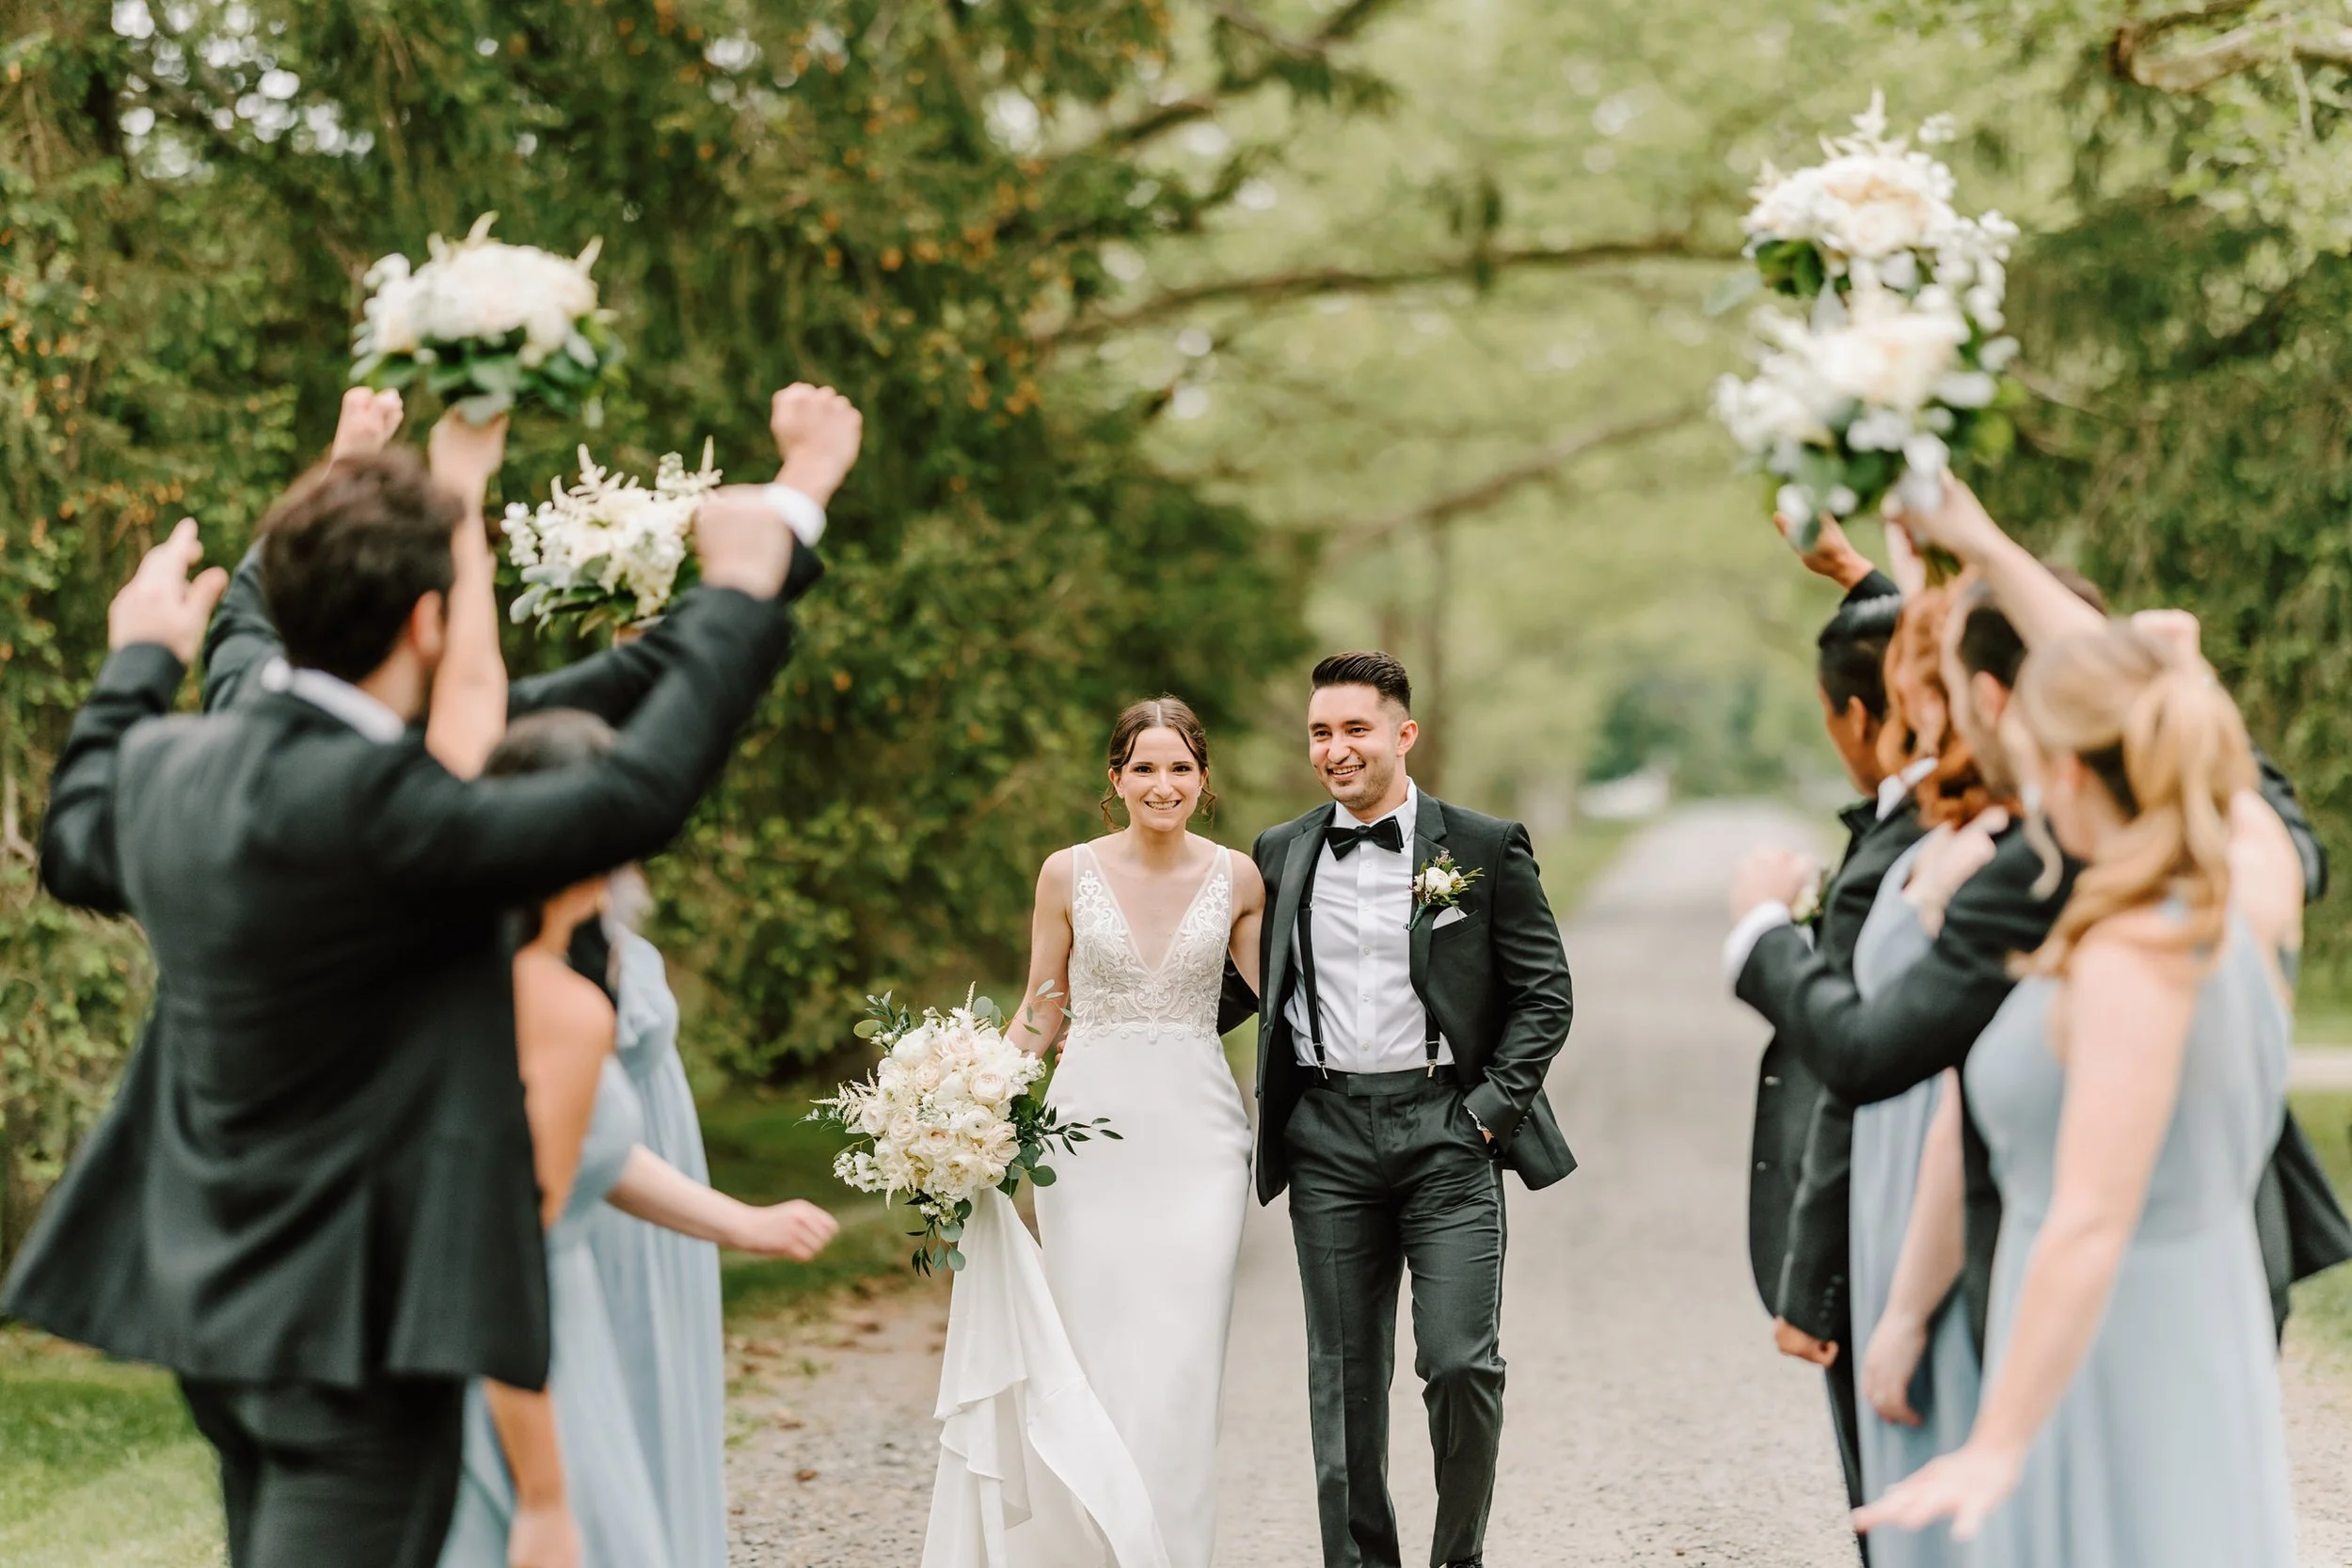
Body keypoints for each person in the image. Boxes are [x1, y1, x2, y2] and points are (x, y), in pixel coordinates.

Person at [4, 383, 862, 1568]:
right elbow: (637, 791)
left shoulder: (164, 765)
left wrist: (138, 659)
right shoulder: (393, 813)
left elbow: (75, 835)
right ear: (426, 622)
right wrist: (751, 568)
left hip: (212, 1308)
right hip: (357, 1331)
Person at [1724, 479, 2350, 1355]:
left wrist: (1759, 928)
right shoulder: (2251, 865)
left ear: (1989, 706)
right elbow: (2174, 731)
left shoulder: (2020, 873)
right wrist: (1947, 555)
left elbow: (1877, 1056)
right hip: (2214, 1306)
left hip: (2074, 1323)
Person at [1855, 615, 2301, 1563]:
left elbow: (2089, 1216)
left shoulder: (2129, 956)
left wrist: (1999, 1439)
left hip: (2109, 1343)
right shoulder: (2249, 886)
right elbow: (2231, 783)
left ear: (2057, 772)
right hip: (2195, 1314)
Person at [1247, 652, 1575, 1568]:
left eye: (1355, 728)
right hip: (1327, 1137)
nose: (1336, 748)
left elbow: (1545, 992)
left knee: (1460, 1358)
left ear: (1402, 732)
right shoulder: (1280, 850)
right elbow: (1237, 983)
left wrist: (1487, 1110)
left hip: (1446, 1130)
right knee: (1345, 1380)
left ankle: (1456, 1558)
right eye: (1321, 731)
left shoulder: (1480, 843)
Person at [926, 695, 1264, 1567]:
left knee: (1183, 1367)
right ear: (1114, 780)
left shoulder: (1240, 878)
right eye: (1144, 768)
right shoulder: (1063, 873)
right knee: (1097, 1352)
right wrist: (971, 1110)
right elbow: (1041, 1009)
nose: (1163, 784)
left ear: (1204, 780)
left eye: (1180, 767)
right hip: (1087, 1142)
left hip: (1201, 1144)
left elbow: (1291, 1009)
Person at [1738, 515, 1909, 1543]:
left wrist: (1764, 935)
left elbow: (1853, 1060)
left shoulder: (1923, 842)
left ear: (1852, 716)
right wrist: (1854, 572)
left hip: (1904, 1220)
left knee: (1894, 1492)